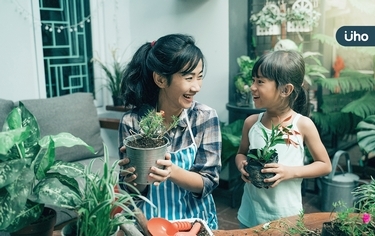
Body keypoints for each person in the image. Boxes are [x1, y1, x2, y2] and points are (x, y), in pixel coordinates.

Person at [117, 33, 222, 229]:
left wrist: (171, 171)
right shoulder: (132, 122)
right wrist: (133, 177)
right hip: (149, 224)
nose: (197, 86)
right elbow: (132, 193)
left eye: (199, 77)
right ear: (160, 79)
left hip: (193, 223)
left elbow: (208, 182)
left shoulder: (204, 117)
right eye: (189, 77)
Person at [235, 50, 332, 228]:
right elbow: (241, 154)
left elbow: (325, 165)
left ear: (286, 90)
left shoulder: (302, 125)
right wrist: (242, 165)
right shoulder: (251, 123)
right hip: (251, 212)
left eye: (260, 82)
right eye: (253, 80)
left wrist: (290, 172)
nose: (252, 87)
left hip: (286, 216)